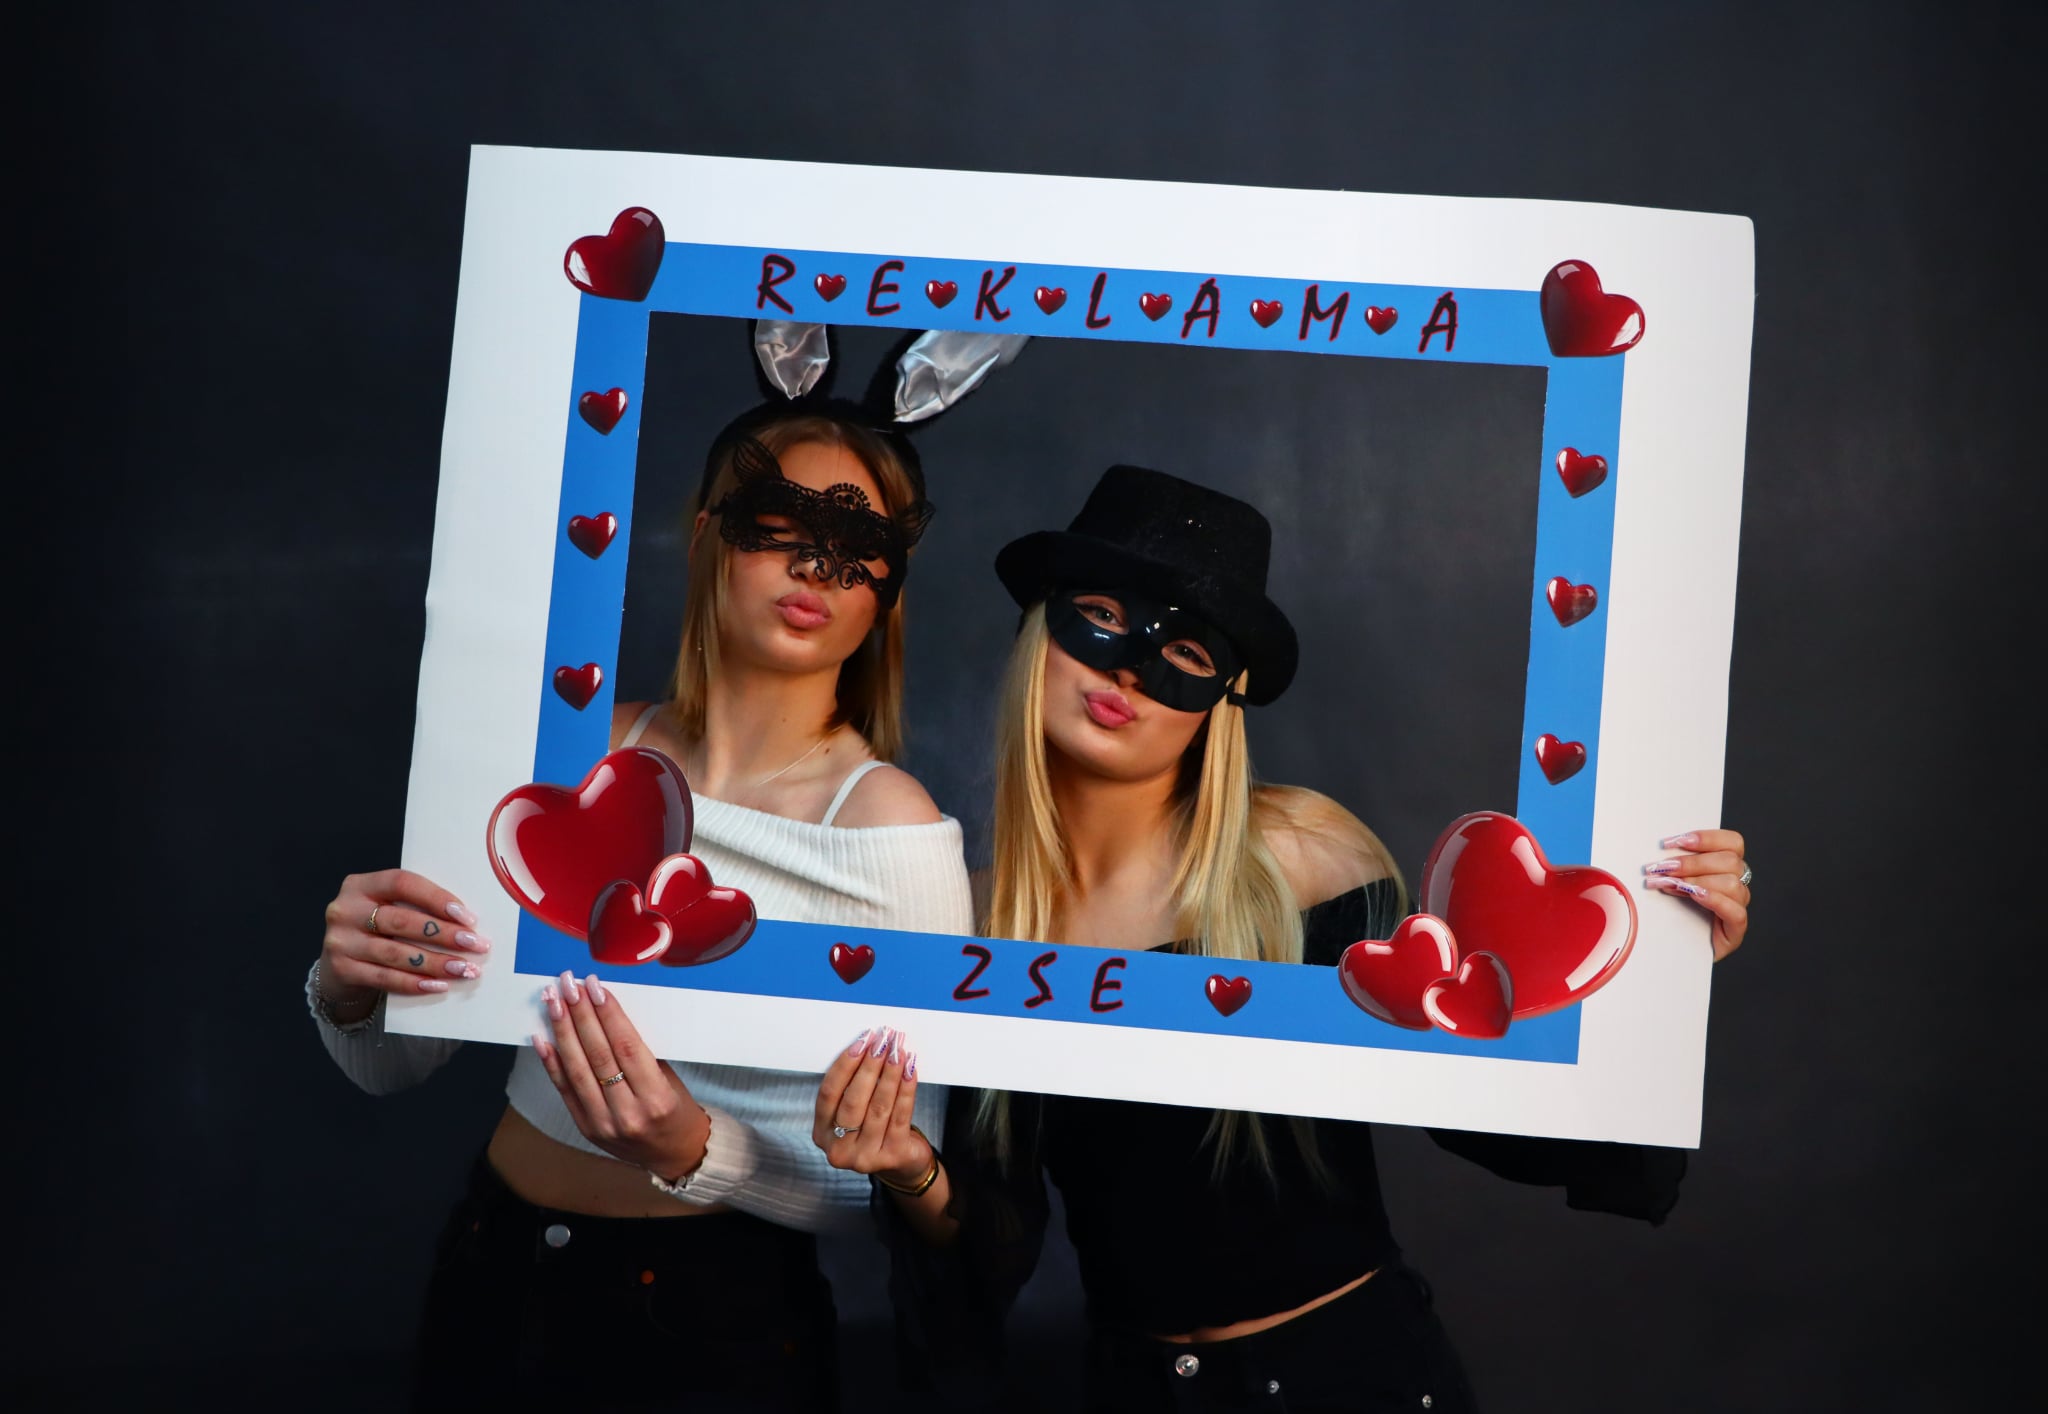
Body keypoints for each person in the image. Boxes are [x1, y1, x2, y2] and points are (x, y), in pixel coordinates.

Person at [813, 465, 1753, 1413]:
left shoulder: (1300, 859)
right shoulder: (981, 919)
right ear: (1039, 630)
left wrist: (1656, 976)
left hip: (1349, 1382)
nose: (1129, 670)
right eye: (1099, 616)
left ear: (1223, 695)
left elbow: (1486, 1099)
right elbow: (997, 1232)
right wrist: (910, 1167)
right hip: (1133, 1389)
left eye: (1185, 650)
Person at [310, 388, 974, 1411]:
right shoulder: (575, 758)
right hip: (493, 1267)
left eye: (858, 550)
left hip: (711, 1323)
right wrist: (353, 985)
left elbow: (885, 1182)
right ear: (708, 536)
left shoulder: (888, 827)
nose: (814, 570)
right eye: (779, 528)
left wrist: (696, 1150)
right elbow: (392, 1062)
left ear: (888, 589)